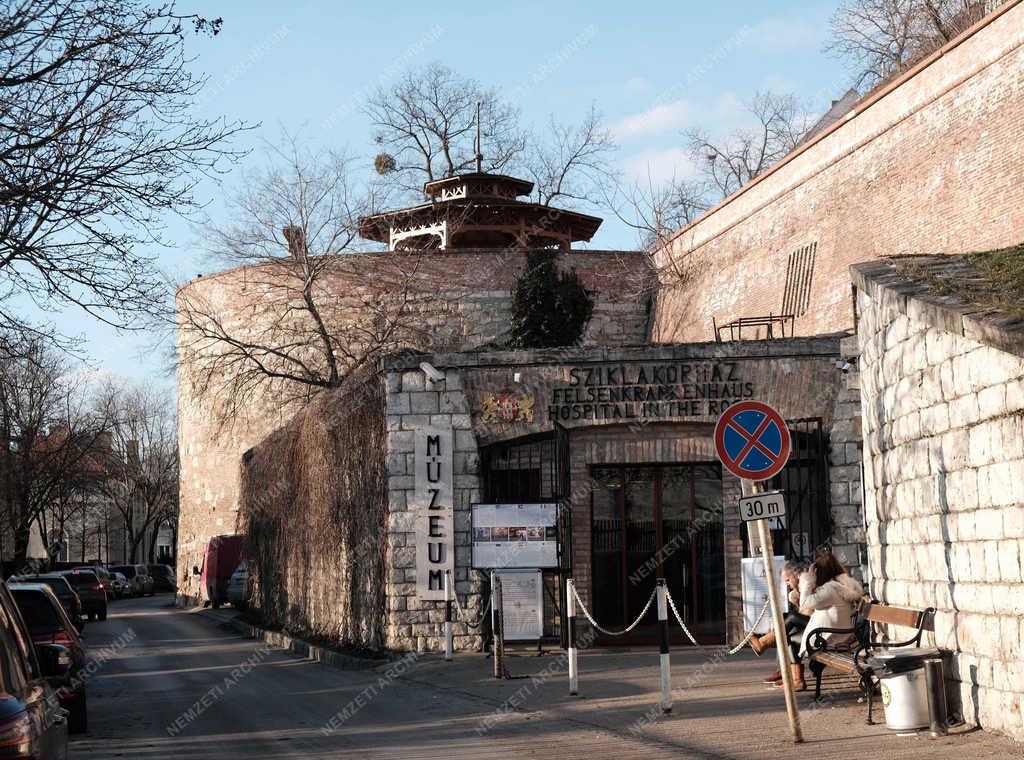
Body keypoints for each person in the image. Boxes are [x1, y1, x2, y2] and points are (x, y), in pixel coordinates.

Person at [789, 552, 863, 690]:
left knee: (790, 638)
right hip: (839, 633)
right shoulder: (839, 585)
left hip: (832, 637)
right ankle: (764, 642)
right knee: (789, 626)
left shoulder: (830, 589)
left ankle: (797, 680)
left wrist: (807, 580)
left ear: (819, 572)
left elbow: (805, 604)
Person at [749, 561, 810, 685]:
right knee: (785, 628)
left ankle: (763, 643)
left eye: (788, 580)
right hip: (812, 623)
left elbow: (809, 608)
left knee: (790, 619)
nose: (787, 584)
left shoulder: (808, 583)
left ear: (797, 575)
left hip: (818, 625)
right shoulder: (801, 587)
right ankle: (794, 678)